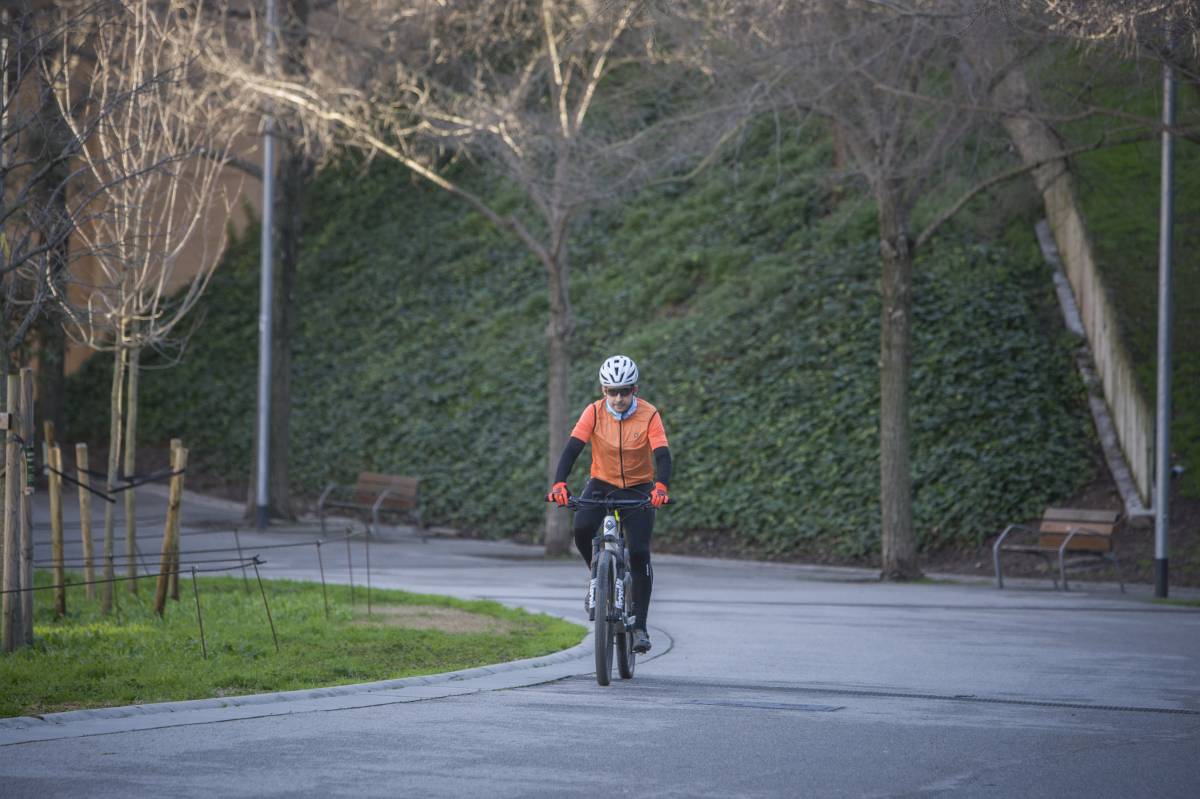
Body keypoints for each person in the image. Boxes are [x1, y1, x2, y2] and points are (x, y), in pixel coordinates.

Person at [547, 354, 671, 654]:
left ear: (635, 389)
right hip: (601, 484)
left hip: (638, 488)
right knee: (581, 528)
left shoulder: (649, 414)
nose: (618, 398)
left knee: (640, 553)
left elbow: (663, 455)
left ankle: (639, 625)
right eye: (612, 391)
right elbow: (572, 448)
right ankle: (598, 580)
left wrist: (661, 487)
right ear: (603, 391)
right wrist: (560, 482)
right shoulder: (593, 412)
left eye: (625, 390)